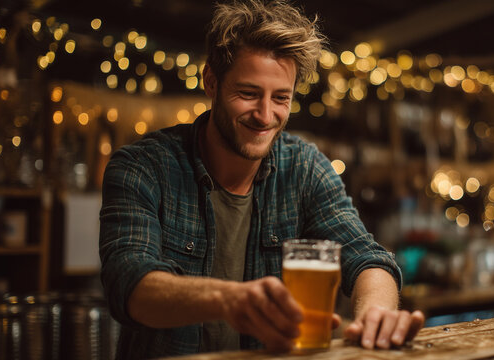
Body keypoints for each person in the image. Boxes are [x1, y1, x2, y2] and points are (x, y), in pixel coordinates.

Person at [99, 0, 424, 358]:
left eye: (281, 98)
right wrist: (229, 300)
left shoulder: (304, 167)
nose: (265, 115)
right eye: (248, 94)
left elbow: (366, 257)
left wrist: (376, 315)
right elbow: (128, 284)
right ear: (211, 82)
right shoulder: (142, 166)